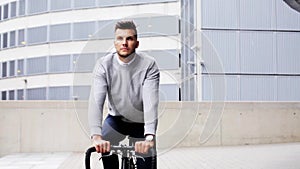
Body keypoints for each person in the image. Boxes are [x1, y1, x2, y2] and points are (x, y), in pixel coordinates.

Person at [88, 20, 159, 169]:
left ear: (137, 43)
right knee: (106, 146)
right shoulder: (103, 65)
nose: (124, 43)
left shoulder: (149, 65)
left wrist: (149, 137)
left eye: (129, 38)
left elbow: (150, 102)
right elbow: (96, 101)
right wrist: (96, 136)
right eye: (120, 38)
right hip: (116, 119)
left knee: (147, 161)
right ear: (114, 43)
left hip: (141, 121)